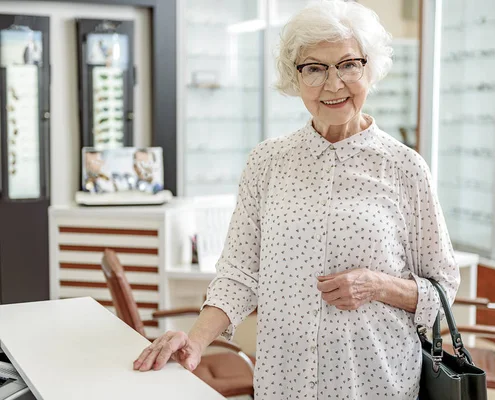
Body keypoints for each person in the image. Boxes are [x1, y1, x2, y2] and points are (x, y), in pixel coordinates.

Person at [134, 1, 460, 399]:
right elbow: (239, 273)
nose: (333, 84)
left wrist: (378, 286)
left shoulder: (405, 168)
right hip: (285, 380)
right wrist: (196, 341)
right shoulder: (268, 162)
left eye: (348, 64)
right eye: (315, 68)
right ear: (296, 77)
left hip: (376, 381)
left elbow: (443, 290)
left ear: (369, 68)